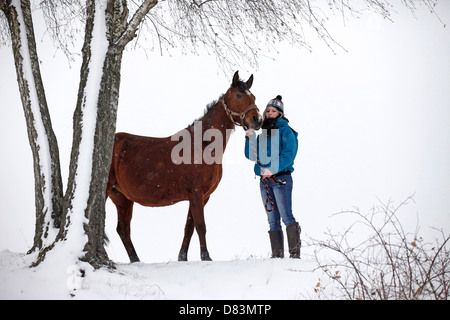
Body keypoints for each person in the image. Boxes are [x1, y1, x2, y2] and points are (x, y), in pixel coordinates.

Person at [244, 95, 301, 258]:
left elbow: (288, 155)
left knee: (286, 216)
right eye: (267, 111)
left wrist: (273, 169)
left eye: (273, 111)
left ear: (280, 114)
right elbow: (252, 156)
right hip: (265, 182)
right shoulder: (263, 134)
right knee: (272, 219)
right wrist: (250, 138)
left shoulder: (286, 132)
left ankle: (295, 254)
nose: (269, 113)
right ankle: (277, 255)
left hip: (281, 180)